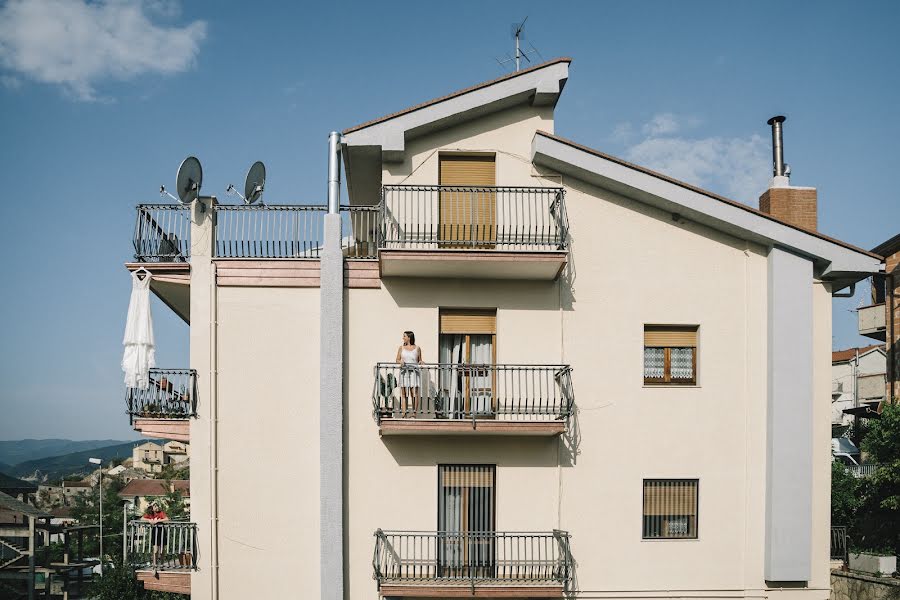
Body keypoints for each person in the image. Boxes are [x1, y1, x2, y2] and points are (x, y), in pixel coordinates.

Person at [395, 331, 423, 417]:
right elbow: (397, 359)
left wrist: (421, 362)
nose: (403, 338)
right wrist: (400, 361)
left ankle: (414, 413)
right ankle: (404, 413)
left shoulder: (417, 348)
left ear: (409, 338)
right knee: (403, 393)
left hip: (414, 372)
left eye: (404, 336)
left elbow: (419, 360)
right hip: (404, 372)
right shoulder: (401, 348)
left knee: (414, 393)